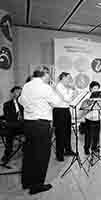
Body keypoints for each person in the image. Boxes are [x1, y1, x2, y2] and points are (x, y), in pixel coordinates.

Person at [19, 65, 65, 195]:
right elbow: (57, 103)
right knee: (41, 156)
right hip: (41, 125)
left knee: (29, 154)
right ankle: (37, 186)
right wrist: (54, 89)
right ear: (45, 74)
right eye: (49, 75)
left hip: (28, 124)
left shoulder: (27, 85)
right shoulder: (46, 88)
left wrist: (32, 107)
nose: (50, 77)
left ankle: (26, 182)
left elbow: (21, 101)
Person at [53, 72, 76, 162]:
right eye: (68, 78)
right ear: (63, 78)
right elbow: (67, 99)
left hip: (66, 110)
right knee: (60, 134)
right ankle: (59, 154)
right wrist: (72, 89)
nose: (70, 80)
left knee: (67, 132)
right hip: (59, 111)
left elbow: (71, 99)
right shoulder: (59, 86)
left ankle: (68, 150)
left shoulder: (66, 87)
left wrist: (72, 89)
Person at [80, 81, 101, 155]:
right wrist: (89, 104)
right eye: (94, 88)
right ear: (91, 89)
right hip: (89, 118)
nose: (96, 90)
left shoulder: (100, 97)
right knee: (88, 135)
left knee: (96, 135)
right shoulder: (87, 97)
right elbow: (83, 107)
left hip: (97, 118)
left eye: (97, 88)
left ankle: (94, 147)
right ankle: (86, 148)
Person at [1, 86, 24, 162]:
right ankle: (7, 153)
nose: (19, 93)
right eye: (17, 92)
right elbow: (8, 118)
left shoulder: (23, 103)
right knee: (9, 132)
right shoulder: (7, 105)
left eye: (20, 92)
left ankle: (27, 150)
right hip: (13, 126)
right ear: (12, 93)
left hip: (23, 125)